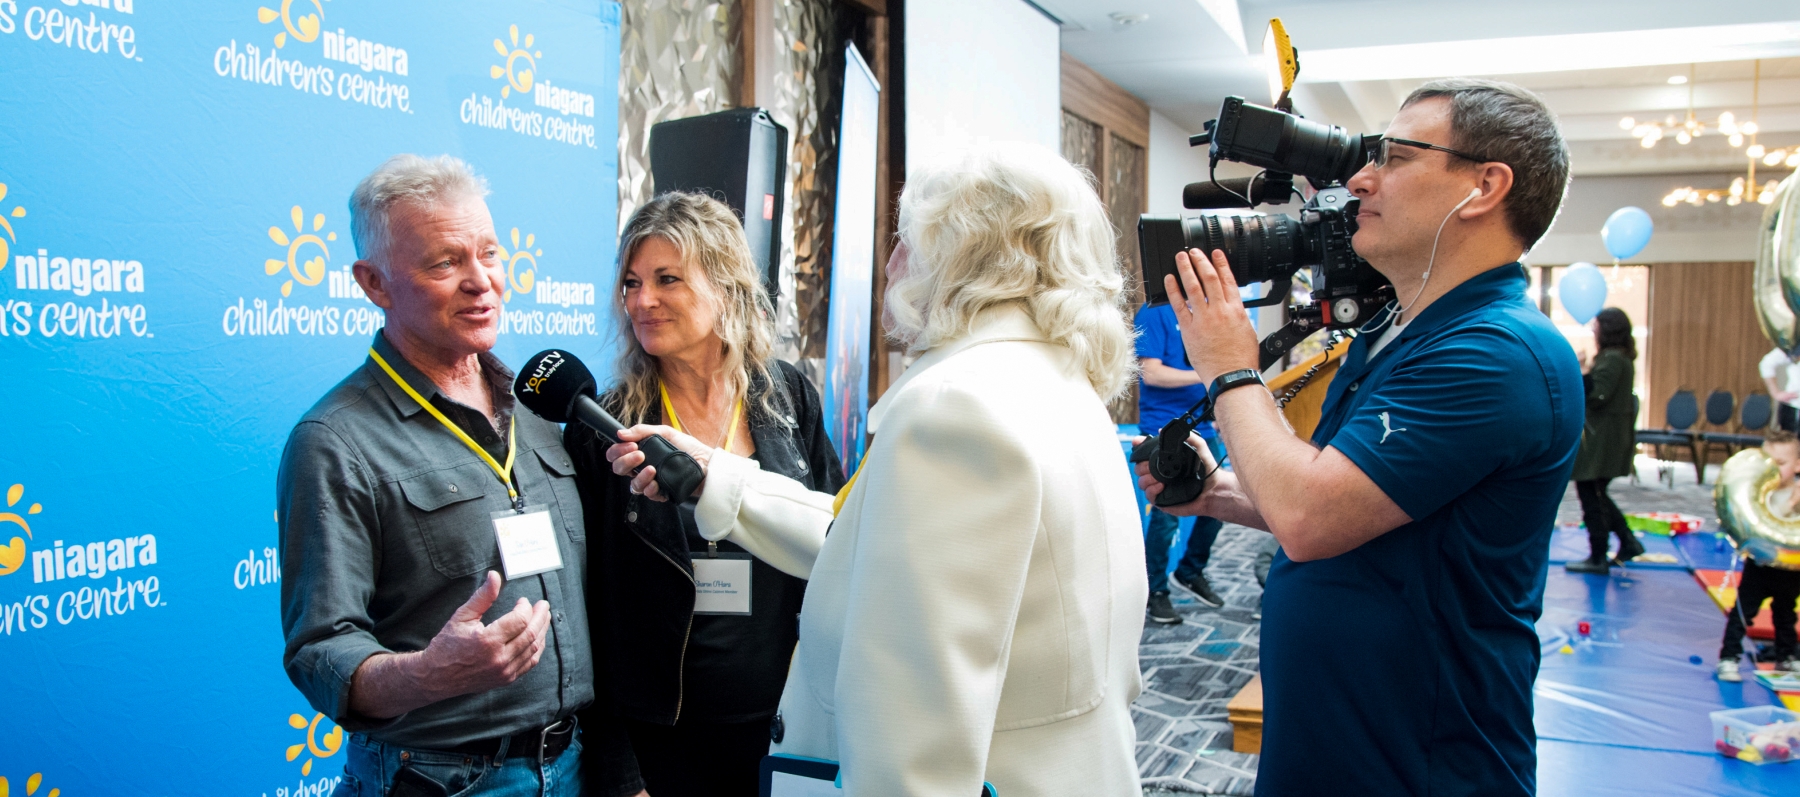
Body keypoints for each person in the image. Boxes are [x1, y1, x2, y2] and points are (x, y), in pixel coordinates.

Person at [620, 145, 1147, 794]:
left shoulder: (952, 410)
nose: (891, 264)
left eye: (905, 242)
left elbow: (914, 744)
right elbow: (858, 535)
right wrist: (717, 476)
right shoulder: (1060, 383)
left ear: (960, 255)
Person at [1140, 79, 1581, 796]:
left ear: (1485, 186)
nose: (1361, 180)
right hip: (1330, 737)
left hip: (1419, 760)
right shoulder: (1398, 330)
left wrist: (1228, 366)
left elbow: (1311, 516)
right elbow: (1358, 501)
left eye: (1398, 157)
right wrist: (1221, 494)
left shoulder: (1497, 353)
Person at [278, 154, 638, 797]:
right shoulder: (333, 442)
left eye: (490, 254)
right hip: (444, 780)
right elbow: (320, 650)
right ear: (374, 283)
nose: (483, 283)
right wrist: (427, 674)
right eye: (446, 263)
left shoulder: (538, 409)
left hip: (577, 766)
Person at [563, 192, 845, 796]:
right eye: (632, 283)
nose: (643, 300)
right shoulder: (608, 427)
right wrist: (620, 771)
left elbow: (837, 538)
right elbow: (596, 612)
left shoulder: (786, 394)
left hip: (787, 719)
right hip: (661, 739)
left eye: (668, 279)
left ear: (726, 285)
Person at [1136, 301, 1228, 624]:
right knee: (1167, 516)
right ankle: (1155, 592)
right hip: (1165, 426)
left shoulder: (1203, 311)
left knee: (1220, 503)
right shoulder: (1154, 311)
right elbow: (1151, 372)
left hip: (1202, 426)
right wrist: (1202, 375)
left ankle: (1190, 571)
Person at [1566, 307, 1645, 573]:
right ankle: (1627, 541)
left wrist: (1576, 370)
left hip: (1603, 441)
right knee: (1596, 494)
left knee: (1593, 497)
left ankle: (1599, 555)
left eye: (1597, 326)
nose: (1593, 331)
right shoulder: (1618, 357)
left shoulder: (1612, 358)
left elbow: (1599, 395)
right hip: (1607, 438)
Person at [1717, 430, 1800, 681]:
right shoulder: (1761, 493)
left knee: (1786, 613)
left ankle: (1787, 657)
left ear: (1797, 465)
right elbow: (1761, 523)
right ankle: (1729, 657)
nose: (1773, 469)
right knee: (1743, 611)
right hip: (1760, 564)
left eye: (1781, 464)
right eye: (1768, 462)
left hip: (1789, 566)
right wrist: (1787, 507)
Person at [1760, 347, 1800, 432]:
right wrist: (1775, 393)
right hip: (1794, 407)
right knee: (1790, 443)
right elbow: (1767, 364)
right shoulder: (1795, 344)